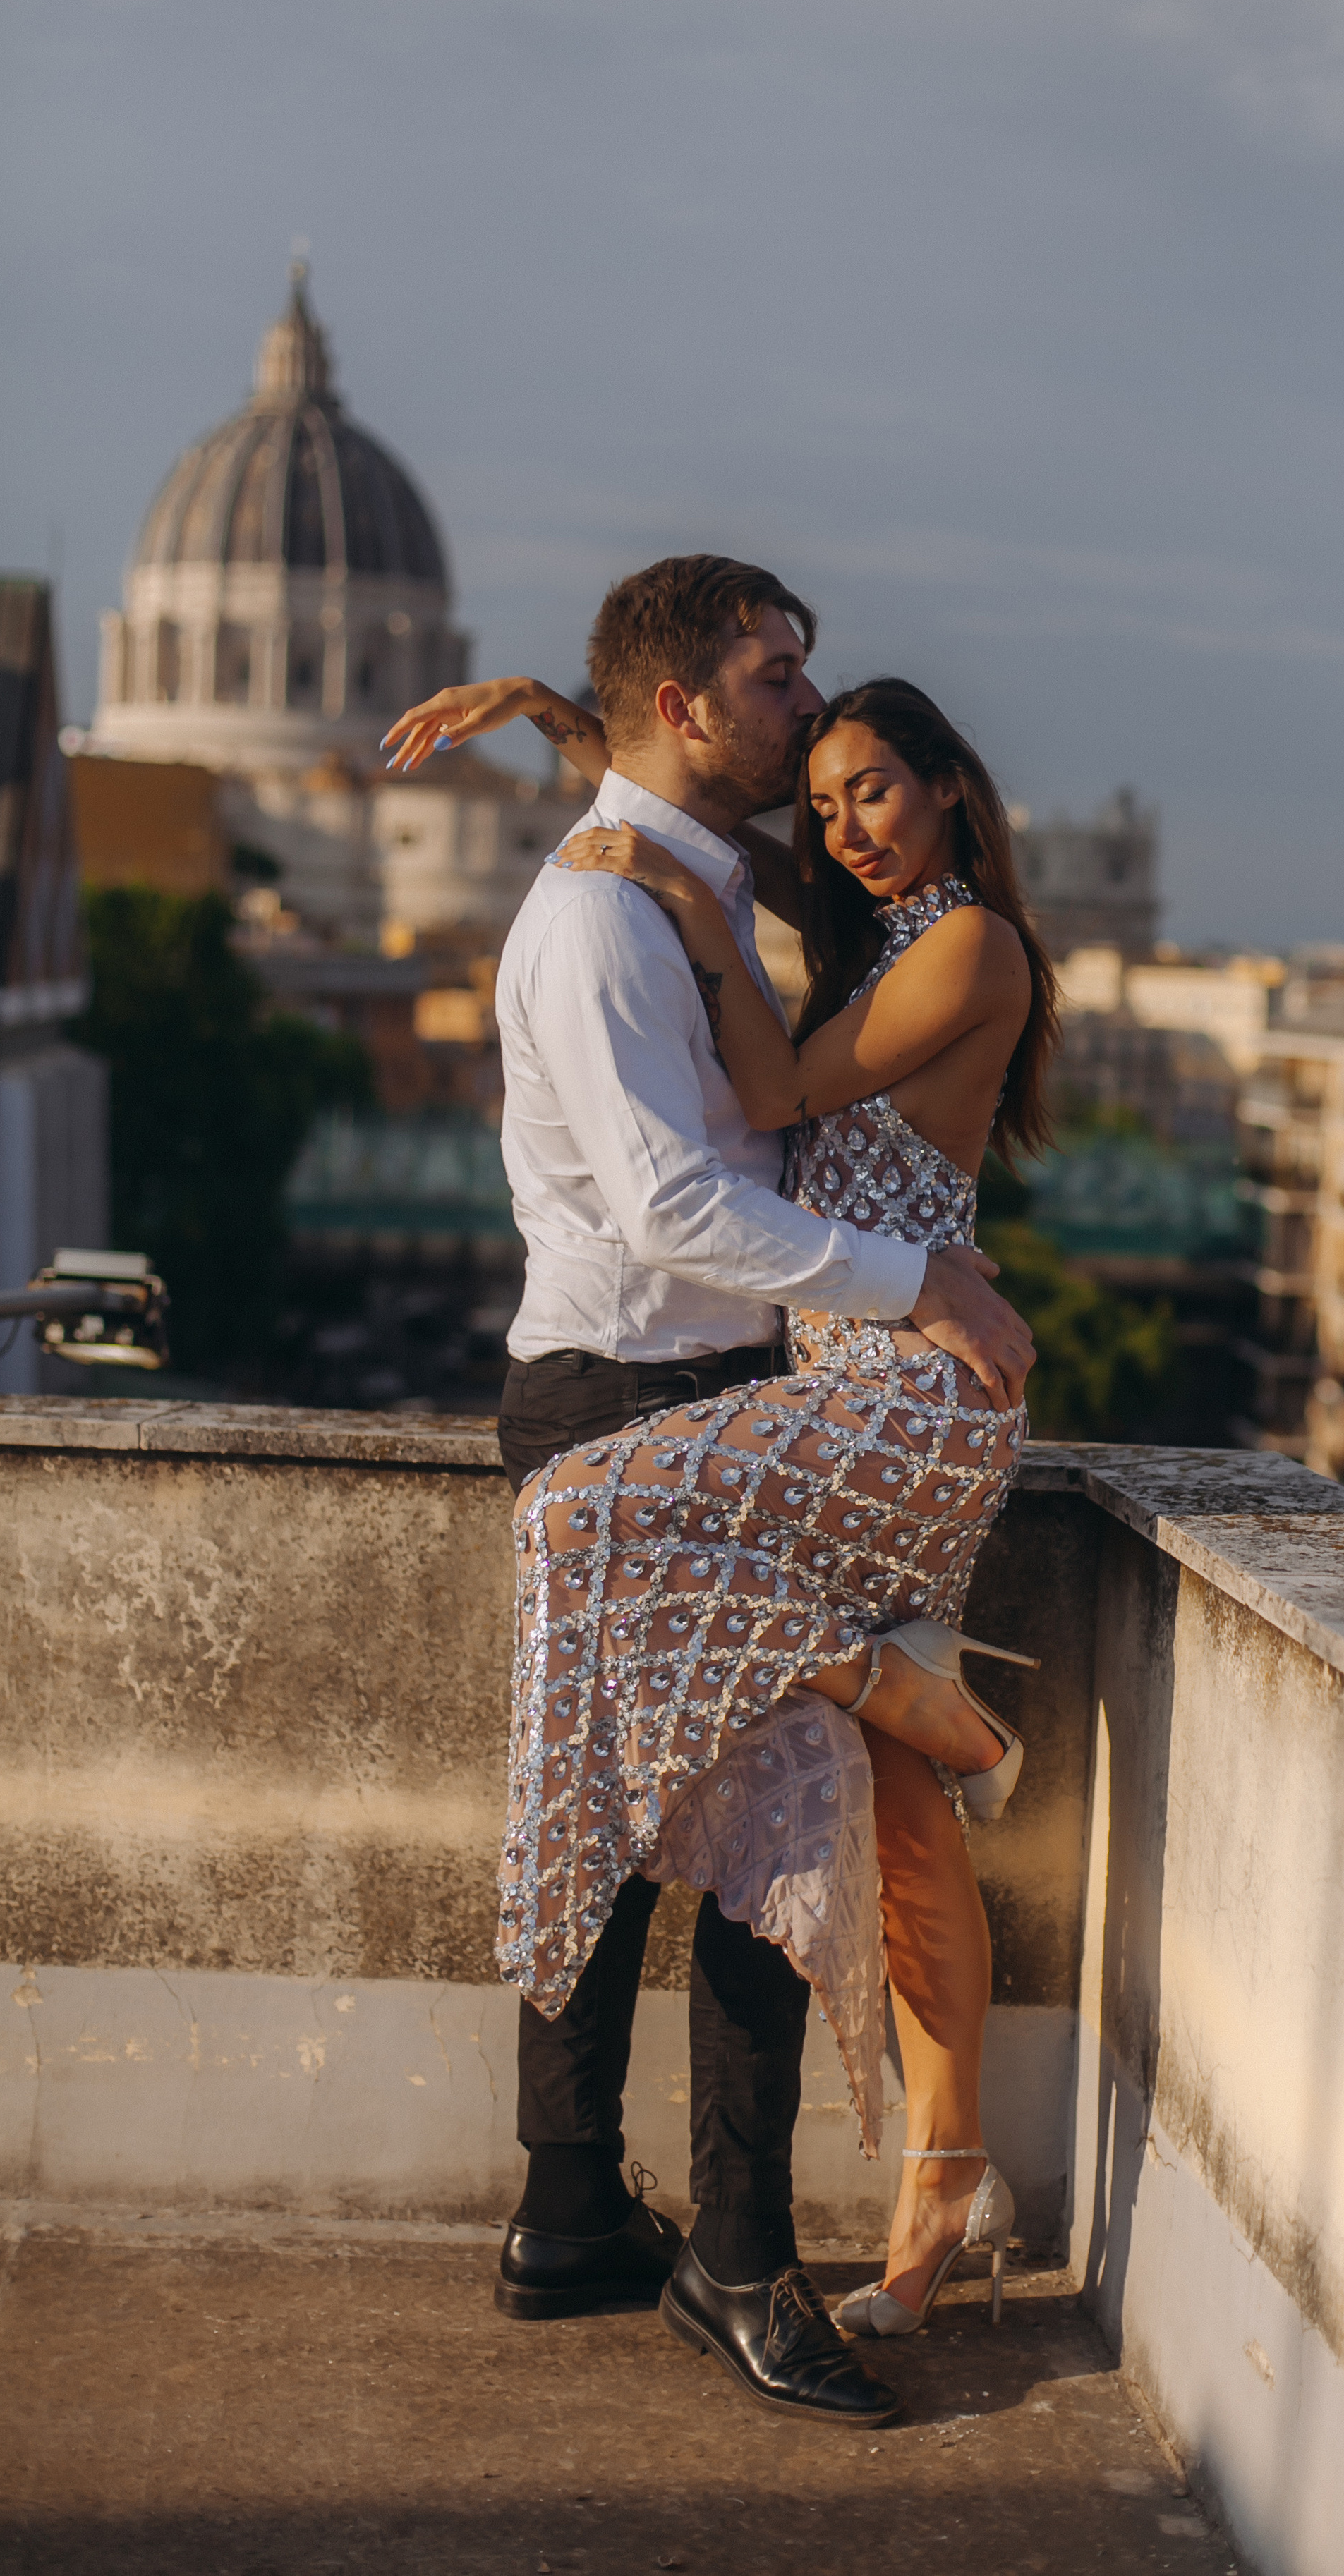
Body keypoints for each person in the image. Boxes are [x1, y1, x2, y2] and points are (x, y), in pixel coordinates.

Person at [382, 558, 1039, 2425]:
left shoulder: (687, 880)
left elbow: (680, 826)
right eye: (773, 682)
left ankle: (575, 2211)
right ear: (693, 704)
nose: (799, 714)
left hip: (692, 1389)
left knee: (644, 1811)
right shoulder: (599, 925)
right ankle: (736, 2260)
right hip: (627, 1399)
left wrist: (543, 712)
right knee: (764, 1824)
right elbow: (682, 1204)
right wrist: (931, 1285)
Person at [552, 671, 1061, 2338]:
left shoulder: (969, 948)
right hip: (842, 1389)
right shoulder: (885, 930)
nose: (841, 827)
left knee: (586, 1509)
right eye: (823, 801)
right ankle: (934, 2211)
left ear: (947, 788)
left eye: (873, 793)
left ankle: (897, 1687)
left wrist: (665, 900)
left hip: (907, 1402)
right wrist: (592, 751)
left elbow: (767, 1095)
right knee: (905, 1841)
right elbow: (742, 864)